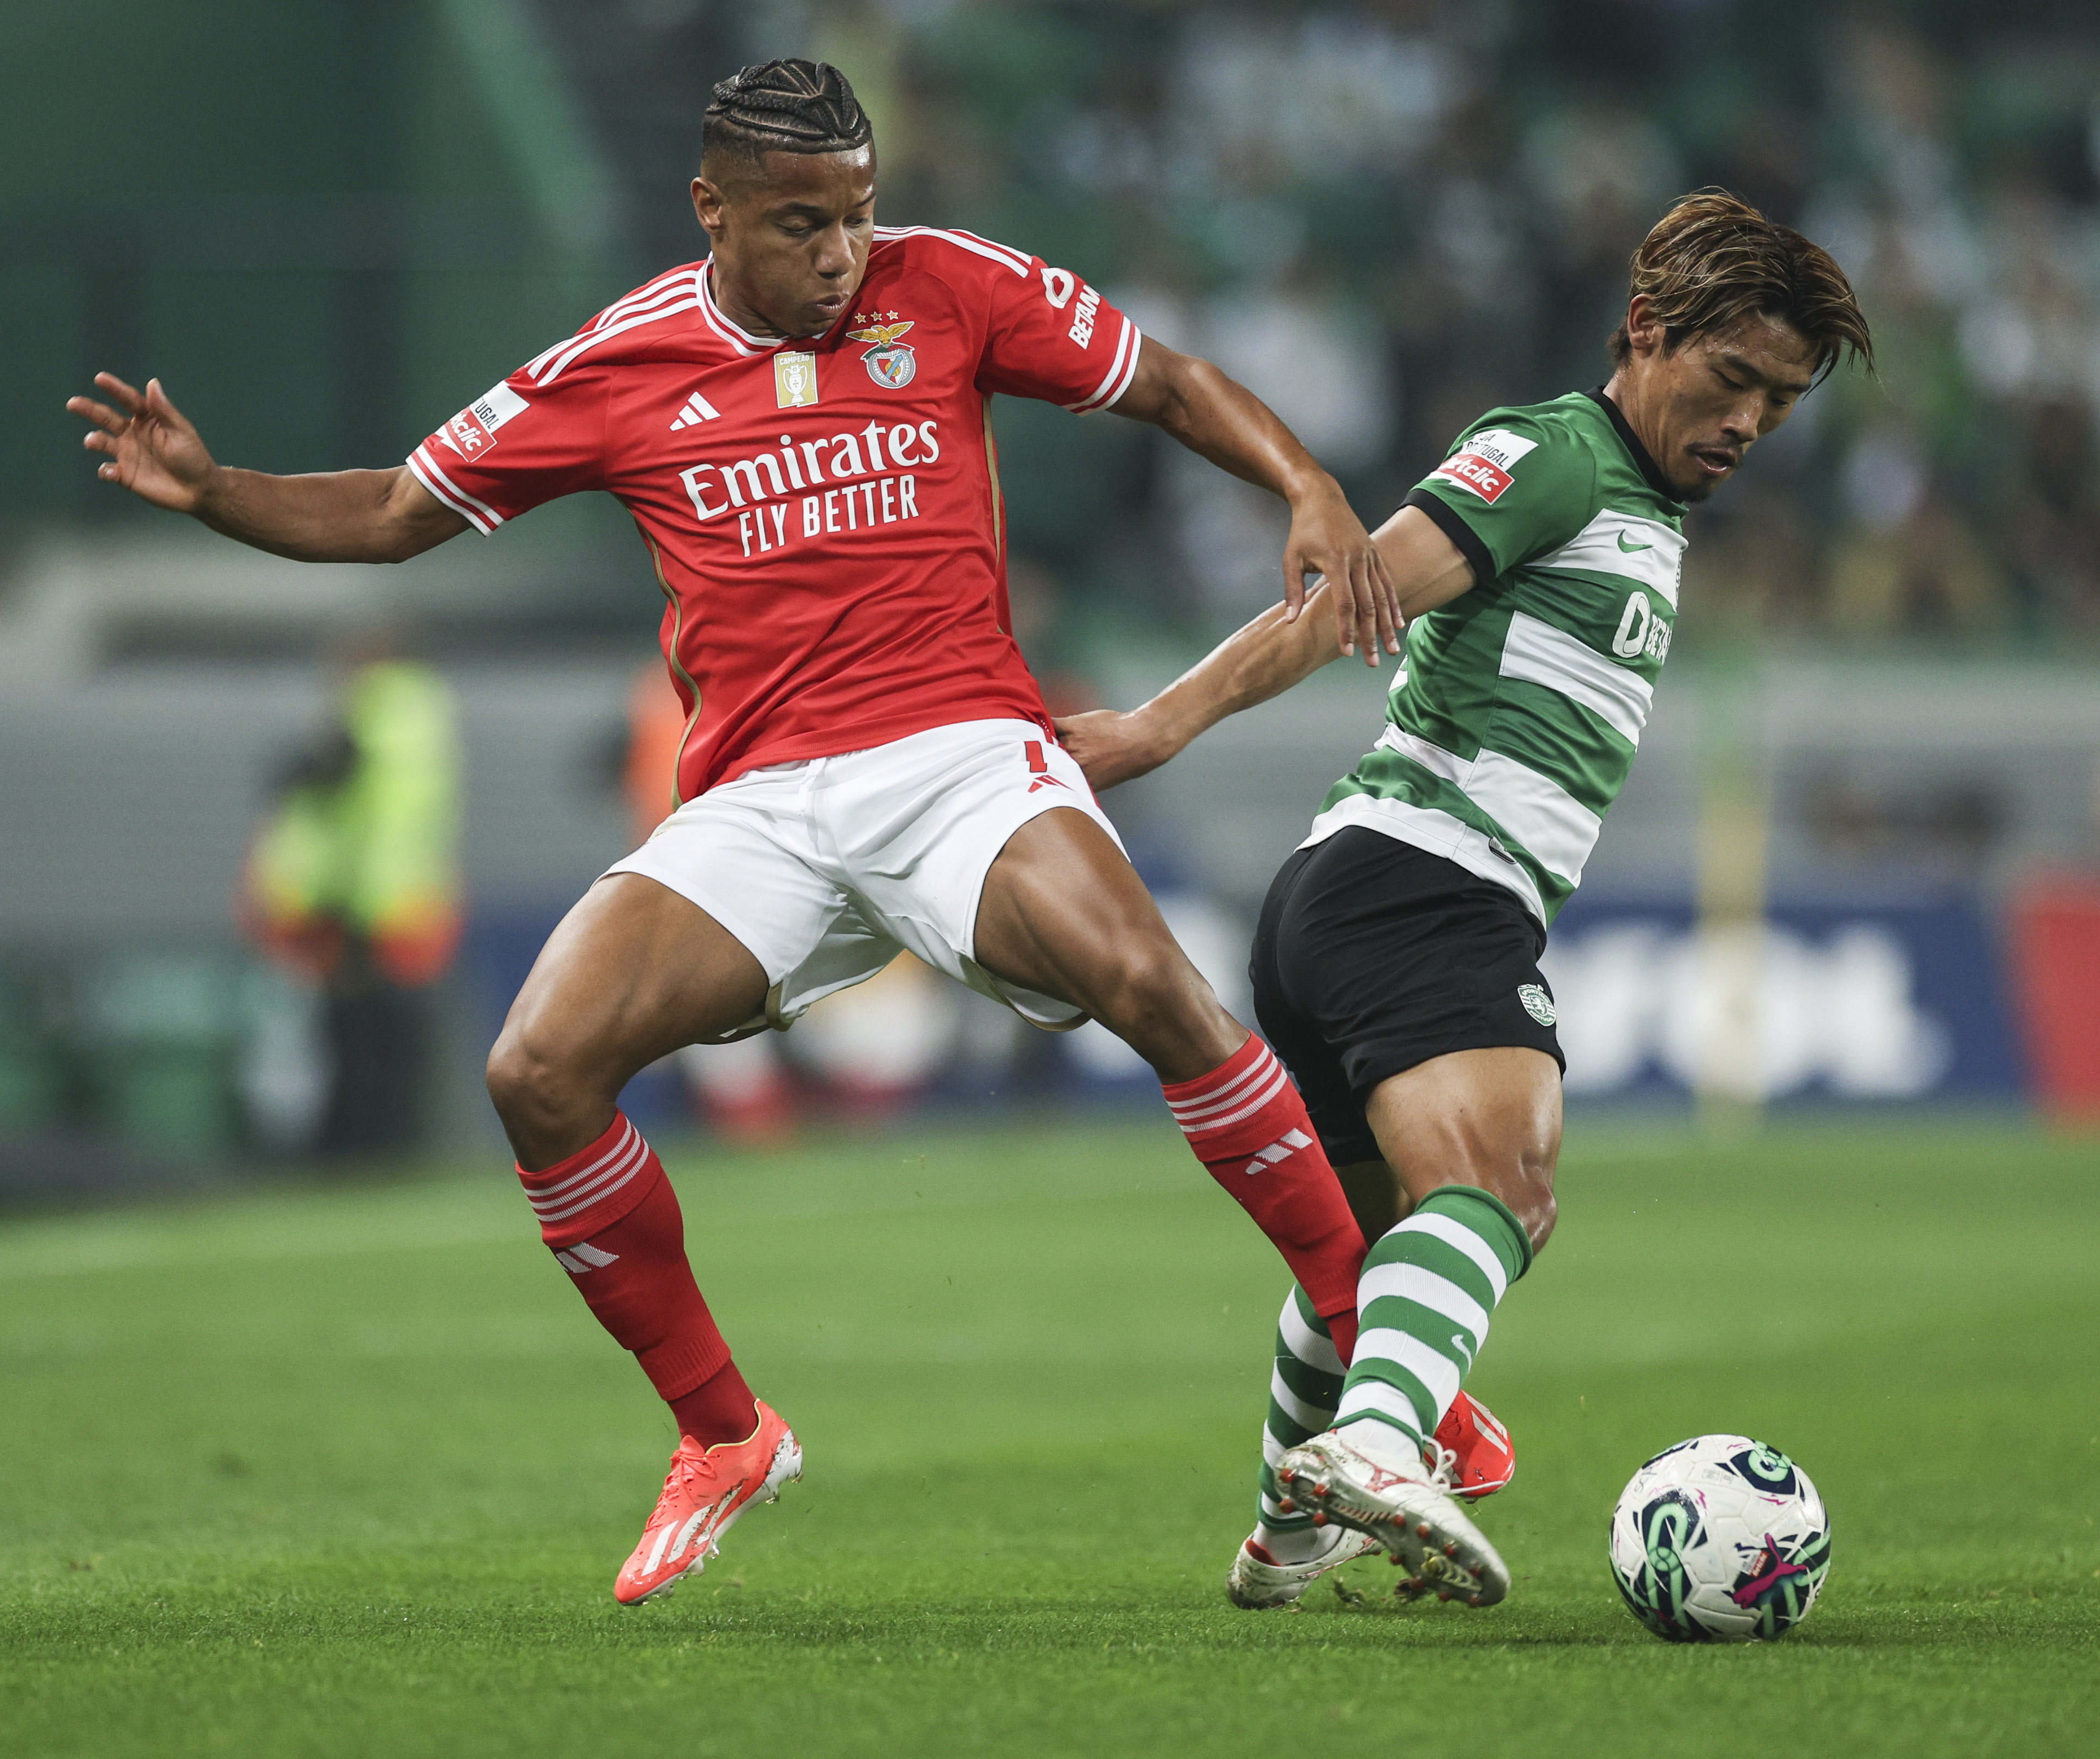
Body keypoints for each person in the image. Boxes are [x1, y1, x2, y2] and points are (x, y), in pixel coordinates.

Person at [70, 59, 1403, 1607]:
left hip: (961, 746)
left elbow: (1164, 379)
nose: (841, 252)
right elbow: (391, 511)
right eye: (799, 223)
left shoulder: (948, 288)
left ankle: (1385, 1366)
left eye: (855, 214)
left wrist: (1306, 481)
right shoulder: (623, 360)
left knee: (1154, 981)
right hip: (761, 800)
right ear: (712, 207)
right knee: (536, 1070)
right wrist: (216, 486)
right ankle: (722, 1432)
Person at [1063, 190, 1873, 1608]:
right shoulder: (1557, 455)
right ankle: (1379, 1444)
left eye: (1780, 403)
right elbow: (1348, 596)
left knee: (1380, 1255)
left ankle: (1287, 1526)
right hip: (1423, 881)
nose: (1750, 422)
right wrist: (1155, 727)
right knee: (1506, 1180)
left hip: (1360, 894)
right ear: (1644, 334)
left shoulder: (1639, 502)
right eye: (1731, 378)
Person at [242, 630, 466, 1158]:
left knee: (351, 1043)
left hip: (359, 903)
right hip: (410, 898)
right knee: (389, 1044)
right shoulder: (428, 714)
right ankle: (389, 1147)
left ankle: (349, 1153)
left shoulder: (379, 709)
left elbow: (330, 781)